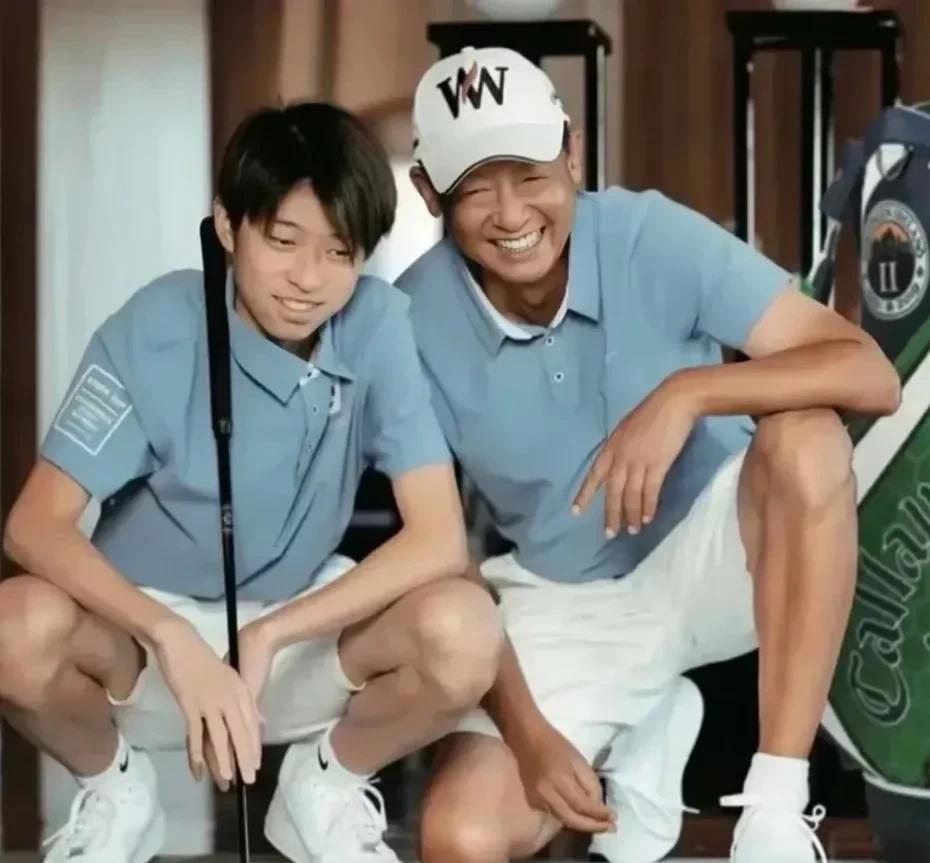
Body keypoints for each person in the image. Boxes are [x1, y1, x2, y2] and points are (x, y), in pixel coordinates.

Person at [396, 47, 902, 863]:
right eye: (474, 187)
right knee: (461, 836)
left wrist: (687, 393)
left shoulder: (646, 234)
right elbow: (440, 552)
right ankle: (650, 722)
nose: (510, 211)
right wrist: (526, 733)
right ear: (429, 193)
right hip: (566, 599)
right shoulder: (409, 321)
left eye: (529, 173)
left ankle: (774, 809)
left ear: (571, 152)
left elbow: (868, 372)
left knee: (806, 436)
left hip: (721, 554)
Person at [0, 101, 503, 863]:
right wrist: (170, 636)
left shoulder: (376, 324)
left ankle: (324, 783)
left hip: (295, 638)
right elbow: (32, 524)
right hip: (140, 647)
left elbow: (439, 538)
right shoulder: (156, 324)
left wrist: (272, 632)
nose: (308, 279)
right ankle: (114, 787)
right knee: (12, 625)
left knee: (467, 629)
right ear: (228, 226)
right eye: (283, 240)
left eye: (339, 251)